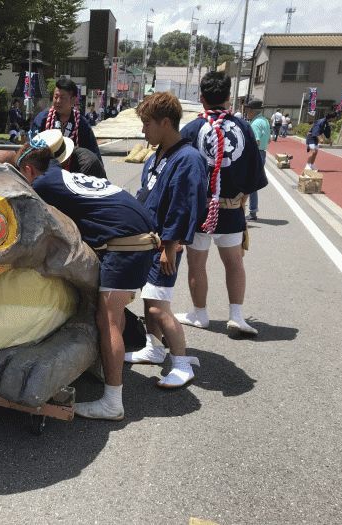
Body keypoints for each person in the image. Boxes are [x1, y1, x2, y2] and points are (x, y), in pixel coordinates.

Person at [13, 129, 159, 420]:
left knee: (109, 321)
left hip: (127, 246)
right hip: (140, 237)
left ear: (29, 170)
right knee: (107, 316)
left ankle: (112, 402)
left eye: (22, 176)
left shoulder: (42, 184)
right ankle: (107, 366)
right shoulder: (62, 174)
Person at [176, 72, 268, 337]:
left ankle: (199, 314)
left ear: (201, 98)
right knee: (234, 263)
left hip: (200, 211)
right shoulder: (243, 127)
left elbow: (180, 173)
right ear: (229, 98)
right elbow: (253, 175)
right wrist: (240, 202)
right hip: (231, 208)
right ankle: (236, 315)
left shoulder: (191, 129)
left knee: (197, 264)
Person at [126, 91, 208, 387]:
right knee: (149, 302)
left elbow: (183, 206)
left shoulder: (188, 159)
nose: (143, 130)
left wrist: (170, 248)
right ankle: (154, 348)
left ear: (164, 122)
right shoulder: (160, 153)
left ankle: (183, 363)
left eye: (147, 124)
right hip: (148, 240)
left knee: (159, 307)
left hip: (164, 245)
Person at [31, 78, 102, 162]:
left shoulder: (81, 123)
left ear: (73, 100)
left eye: (62, 98)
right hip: (47, 168)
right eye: (55, 97)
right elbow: (32, 147)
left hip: (73, 169)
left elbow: (93, 153)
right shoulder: (42, 119)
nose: (58, 101)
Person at [245, 98, 270, 221]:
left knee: (251, 183)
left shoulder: (255, 123)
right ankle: (252, 210)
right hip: (263, 153)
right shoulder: (264, 120)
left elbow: (256, 141)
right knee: (252, 183)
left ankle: (252, 211)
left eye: (247, 109)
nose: (246, 112)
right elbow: (268, 139)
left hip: (256, 154)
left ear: (252, 110)